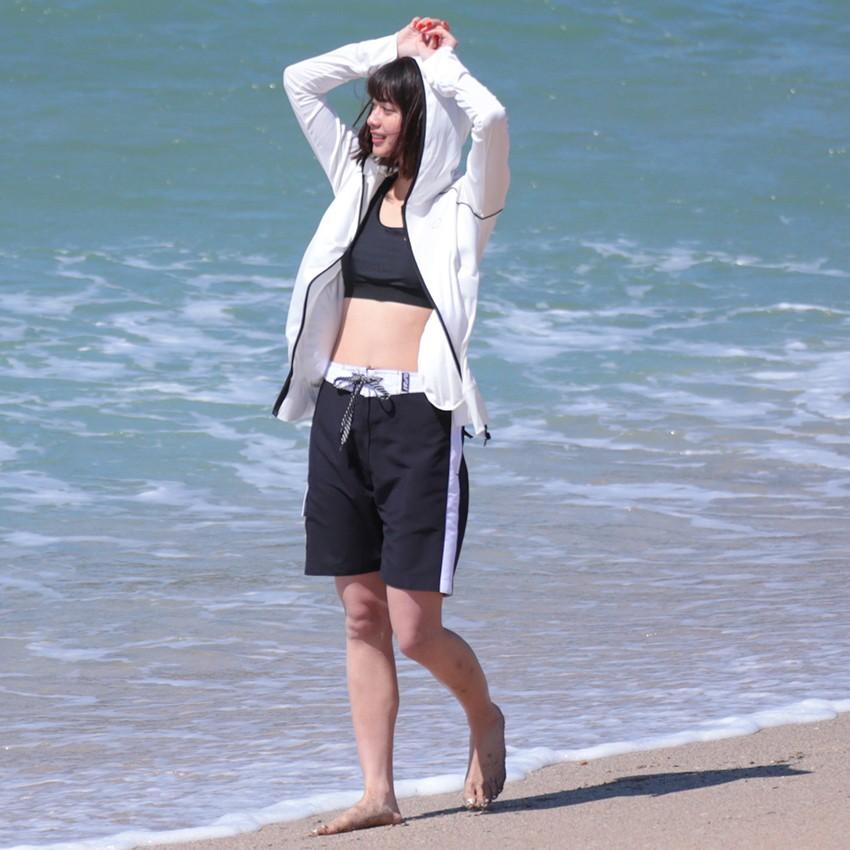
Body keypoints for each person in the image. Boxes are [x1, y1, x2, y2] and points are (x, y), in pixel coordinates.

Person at [272, 15, 510, 835]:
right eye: (370, 105)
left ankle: (483, 715)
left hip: (418, 422)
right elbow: (301, 80)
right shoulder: (355, 180)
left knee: (414, 630)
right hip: (340, 412)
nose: (369, 120)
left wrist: (441, 68)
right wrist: (392, 49)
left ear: (422, 117)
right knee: (360, 615)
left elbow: (491, 120)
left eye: (386, 107)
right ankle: (379, 792)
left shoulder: (465, 206)